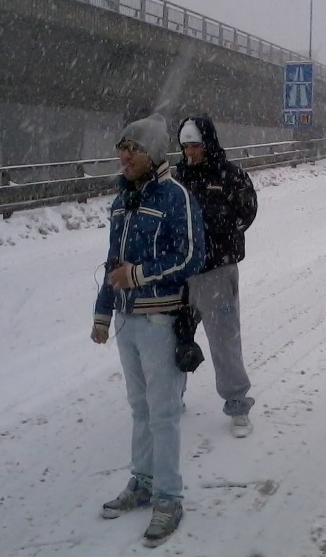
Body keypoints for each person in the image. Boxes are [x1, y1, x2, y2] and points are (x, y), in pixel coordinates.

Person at [90, 113, 205, 548]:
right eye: (121, 148)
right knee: (140, 408)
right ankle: (141, 482)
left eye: (132, 149)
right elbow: (111, 261)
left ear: (152, 153)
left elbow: (192, 255)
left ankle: (169, 497)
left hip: (160, 319)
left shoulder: (175, 196)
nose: (123, 156)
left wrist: (138, 276)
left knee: (164, 413)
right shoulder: (122, 200)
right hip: (126, 320)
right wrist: (103, 313)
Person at [174, 115, 259, 438]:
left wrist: (220, 232)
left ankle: (237, 404)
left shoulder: (231, 176)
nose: (190, 152)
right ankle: (172, 396)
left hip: (217, 271)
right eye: (185, 146)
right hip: (181, 272)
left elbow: (247, 211)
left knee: (224, 340)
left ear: (207, 143)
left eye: (195, 145)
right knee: (174, 336)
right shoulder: (176, 178)